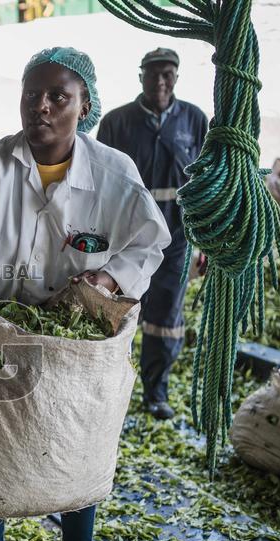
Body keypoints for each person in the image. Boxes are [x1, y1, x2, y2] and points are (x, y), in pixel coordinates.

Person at [0, 47, 171, 541]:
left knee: (77, 450)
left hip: (78, 342)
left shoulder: (114, 174)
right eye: (30, 95)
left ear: (84, 103)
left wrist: (109, 276)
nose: (40, 107)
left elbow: (149, 240)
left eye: (57, 97)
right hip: (1, 330)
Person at [96, 47, 209, 420]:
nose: (161, 81)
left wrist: (205, 240)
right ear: (141, 75)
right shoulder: (117, 123)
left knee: (165, 320)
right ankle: (108, 390)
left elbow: (208, 183)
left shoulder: (194, 120)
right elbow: (98, 184)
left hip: (177, 239)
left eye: (168, 74)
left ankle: (155, 393)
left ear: (176, 77)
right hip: (126, 239)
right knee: (114, 312)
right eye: (153, 73)